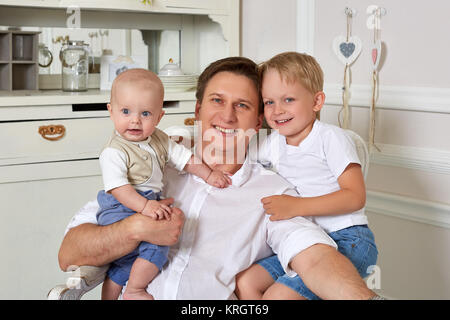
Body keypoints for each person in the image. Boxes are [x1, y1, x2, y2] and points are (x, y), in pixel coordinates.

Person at [58, 57, 379, 300]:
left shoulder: (272, 190)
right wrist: (137, 227)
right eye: (216, 101)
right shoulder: (151, 165)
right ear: (198, 109)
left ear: (258, 121)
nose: (226, 116)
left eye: (241, 105)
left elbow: (316, 258)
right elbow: (70, 254)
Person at [235, 52, 378, 300]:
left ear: (316, 101)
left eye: (288, 99)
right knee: (246, 282)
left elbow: (355, 197)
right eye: (269, 102)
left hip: (348, 239)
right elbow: (237, 160)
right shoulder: (272, 144)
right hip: (304, 241)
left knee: (277, 297)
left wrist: (297, 206)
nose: (277, 110)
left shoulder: (330, 138)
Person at [95, 68, 231, 300]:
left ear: (159, 117)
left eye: (145, 113)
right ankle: (135, 290)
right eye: (125, 111)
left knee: (130, 259)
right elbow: (119, 189)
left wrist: (208, 175)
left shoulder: (159, 139)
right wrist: (146, 207)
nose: (135, 120)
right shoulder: (113, 152)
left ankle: (114, 292)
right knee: (156, 245)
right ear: (111, 111)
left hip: (146, 202)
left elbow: (184, 159)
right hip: (120, 207)